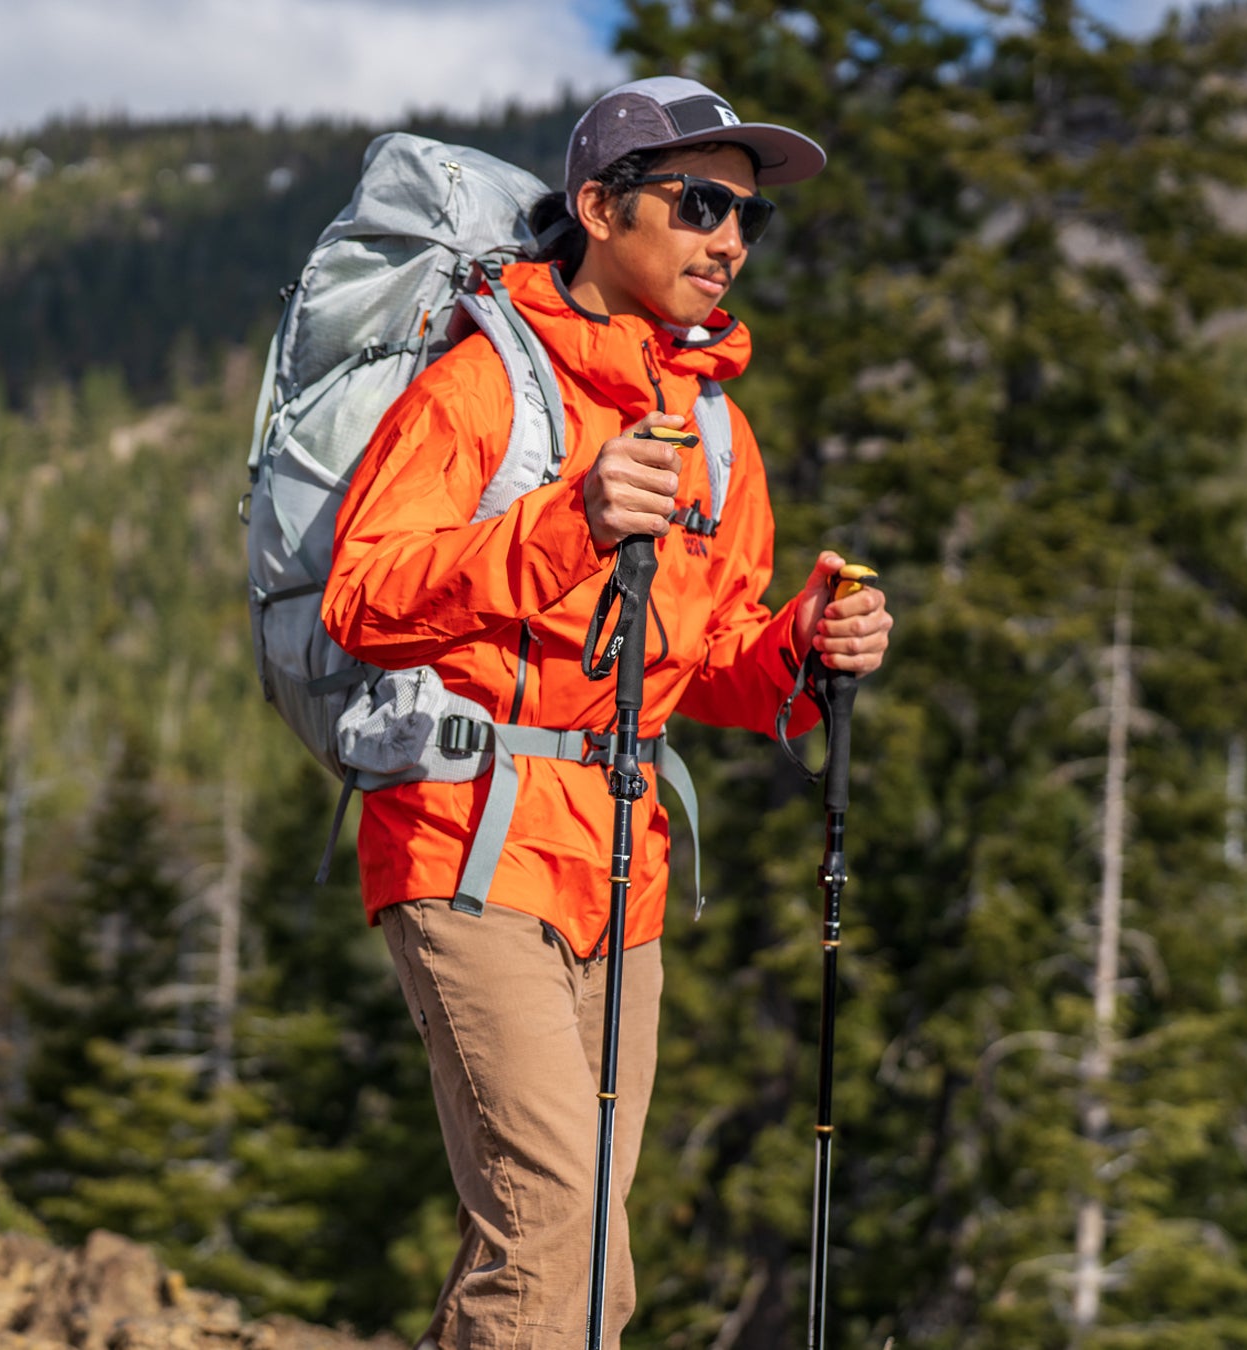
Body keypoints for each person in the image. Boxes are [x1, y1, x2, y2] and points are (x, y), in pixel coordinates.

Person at [320, 77, 893, 1348]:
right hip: (464, 839)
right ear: (598, 207)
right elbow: (360, 595)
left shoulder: (714, 434)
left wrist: (809, 646)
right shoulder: (482, 390)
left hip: (620, 872)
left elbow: (717, 659)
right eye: (697, 204)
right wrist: (570, 521)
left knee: (591, 1265)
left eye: (747, 218)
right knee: (552, 1239)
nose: (729, 239)